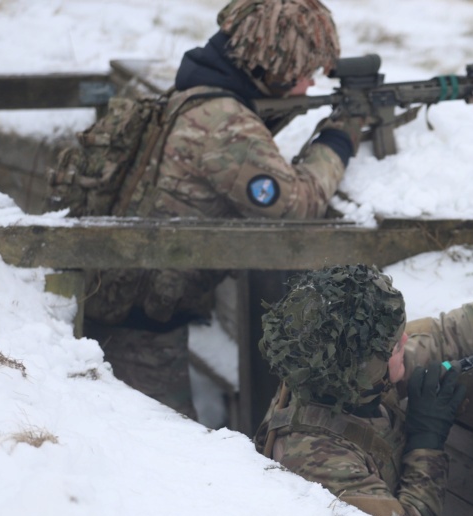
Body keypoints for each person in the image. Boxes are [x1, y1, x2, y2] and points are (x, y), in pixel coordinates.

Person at [83, 0, 360, 419]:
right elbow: (295, 206)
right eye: (303, 72)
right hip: (139, 333)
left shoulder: (200, 91)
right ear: (271, 63)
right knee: (169, 459)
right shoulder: (224, 123)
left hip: (125, 312)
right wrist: (340, 137)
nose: (308, 85)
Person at [253, 259, 473, 516]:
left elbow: (444, 338)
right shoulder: (320, 459)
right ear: (366, 370)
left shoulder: (336, 371)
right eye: (395, 346)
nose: (405, 341)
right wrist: (426, 443)